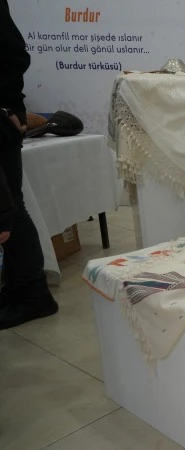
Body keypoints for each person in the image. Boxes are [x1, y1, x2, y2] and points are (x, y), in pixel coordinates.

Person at [0, 0, 59, 329]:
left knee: (9, 207)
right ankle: (17, 288)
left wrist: (9, 104)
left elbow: (13, 53)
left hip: (3, 117)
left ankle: (35, 294)